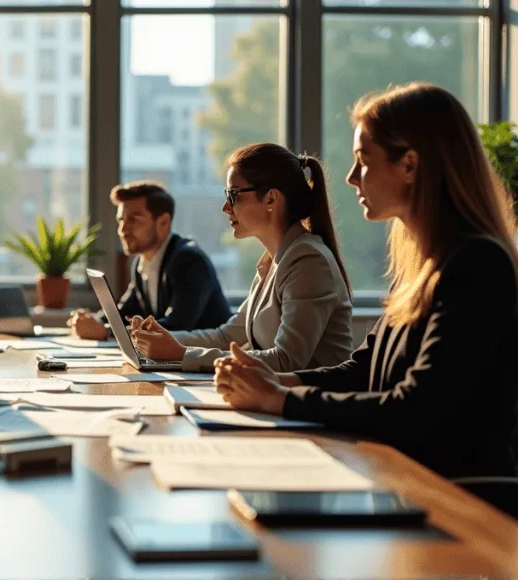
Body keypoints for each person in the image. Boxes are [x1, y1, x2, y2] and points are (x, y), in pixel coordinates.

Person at [214, 82, 518, 482]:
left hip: (458, 502)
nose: (351, 177)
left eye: (363, 160)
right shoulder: (422, 265)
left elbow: (416, 407)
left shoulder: (478, 264)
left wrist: (282, 399)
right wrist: (278, 380)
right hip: (403, 480)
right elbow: (363, 369)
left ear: (409, 165)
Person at [129, 144, 354, 373]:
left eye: (233, 195)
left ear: (271, 199)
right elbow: (226, 336)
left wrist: (180, 354)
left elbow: (286, 361)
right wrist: (164, 339)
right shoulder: (274, 260)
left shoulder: (309, 261)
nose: (226, 208)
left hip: (309, 405)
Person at [68, 180, 229, 339]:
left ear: (164, 222)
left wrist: (106, 331)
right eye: (121, 220)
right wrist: (92, 321)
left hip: (207, 362)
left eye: (133, 220)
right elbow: (122, 313)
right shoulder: (142, 262)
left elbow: (176, 326)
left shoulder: (189, 261)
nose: (122, 230)